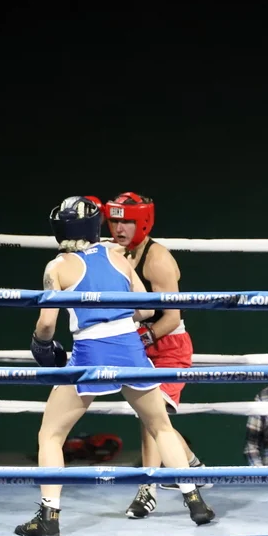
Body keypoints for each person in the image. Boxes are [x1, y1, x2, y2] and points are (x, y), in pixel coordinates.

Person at [15, 196, 215, 536]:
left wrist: (41, 344)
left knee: (50, 434)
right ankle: (195, 501)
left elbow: (47, 324)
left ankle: (49, 516)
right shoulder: (117, 257)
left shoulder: (57, 266)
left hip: (90, 351)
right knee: (161, 426)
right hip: (130, 348)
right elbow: (146, 310)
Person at [100, 192, 208, 519]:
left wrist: (140, 339)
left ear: (143, 222)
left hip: (168, 345)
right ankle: (192, 465)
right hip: (137, 343)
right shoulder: (113, 251)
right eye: (114, 221)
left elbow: (172, 318)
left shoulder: (157, 259)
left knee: (151, 416)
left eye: (126, 223)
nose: (118, 228)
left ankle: (147, 489)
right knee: (154, 418)